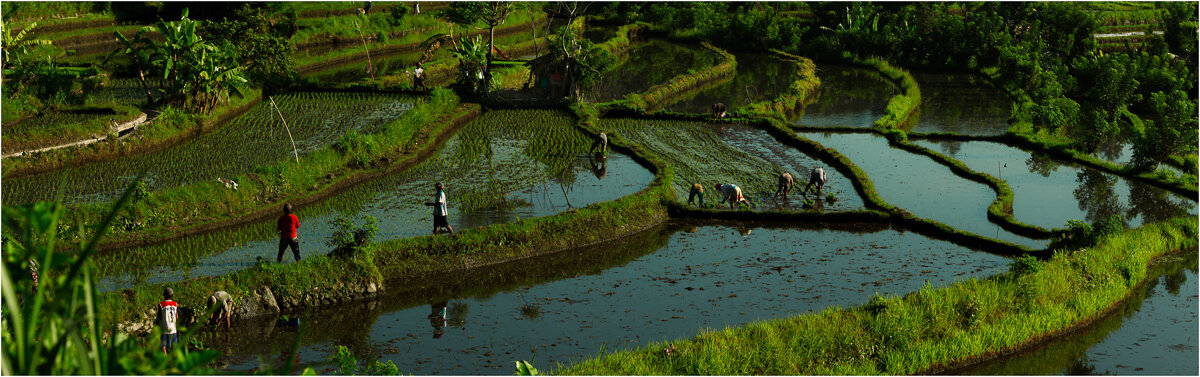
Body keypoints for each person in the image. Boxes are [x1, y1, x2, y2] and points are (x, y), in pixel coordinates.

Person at [158, 287, 179, 356]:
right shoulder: (175, 304)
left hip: (165, 329)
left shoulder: (161, 305)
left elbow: (159, 317)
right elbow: (177, 317)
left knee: (163, 346)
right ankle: (174, 359)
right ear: (172, 296)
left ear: (164, 295)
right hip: (173, 329)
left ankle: (165, 358)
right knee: (174, 347)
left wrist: (156, 323)